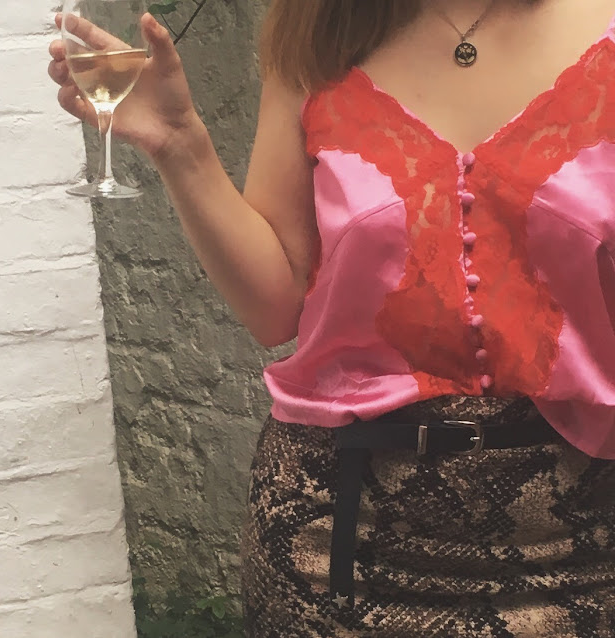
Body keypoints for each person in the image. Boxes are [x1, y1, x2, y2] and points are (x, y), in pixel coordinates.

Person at [48, 0, 615, 635]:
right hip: (336, 535)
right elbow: (274, 308)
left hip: (585, 535)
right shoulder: (319, 32)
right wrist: (180, 143)